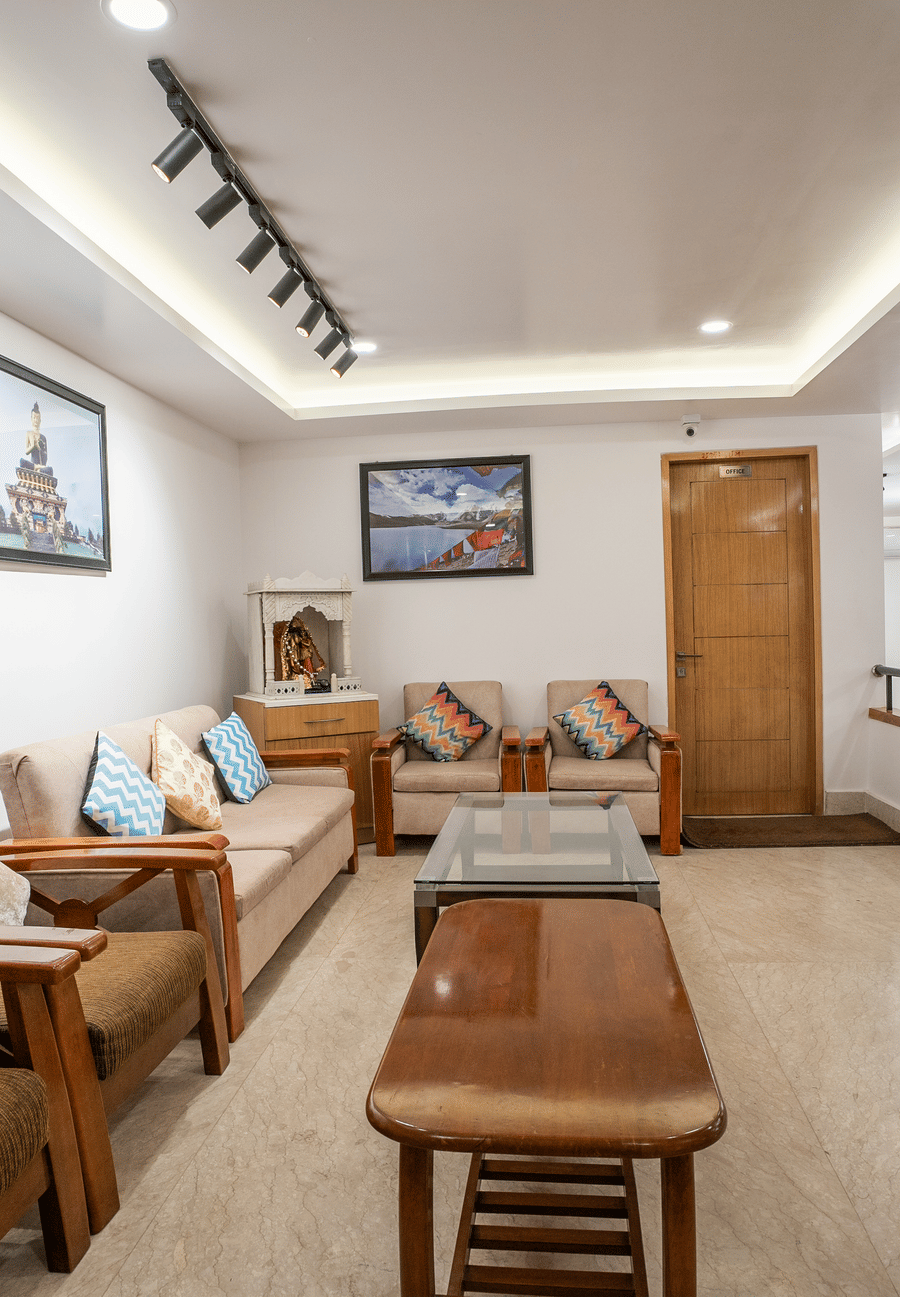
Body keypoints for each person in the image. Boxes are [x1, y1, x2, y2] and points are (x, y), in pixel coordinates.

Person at [280, 614, 326, 686]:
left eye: (304, 633)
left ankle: (309, 678)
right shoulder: (293, 638)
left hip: (304, 654)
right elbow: (295, 642)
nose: (303, 634)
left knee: (307, 665)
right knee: (295, 664)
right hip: (297, 652)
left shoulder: (304, 640)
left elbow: (306, 643)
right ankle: (301, 677)